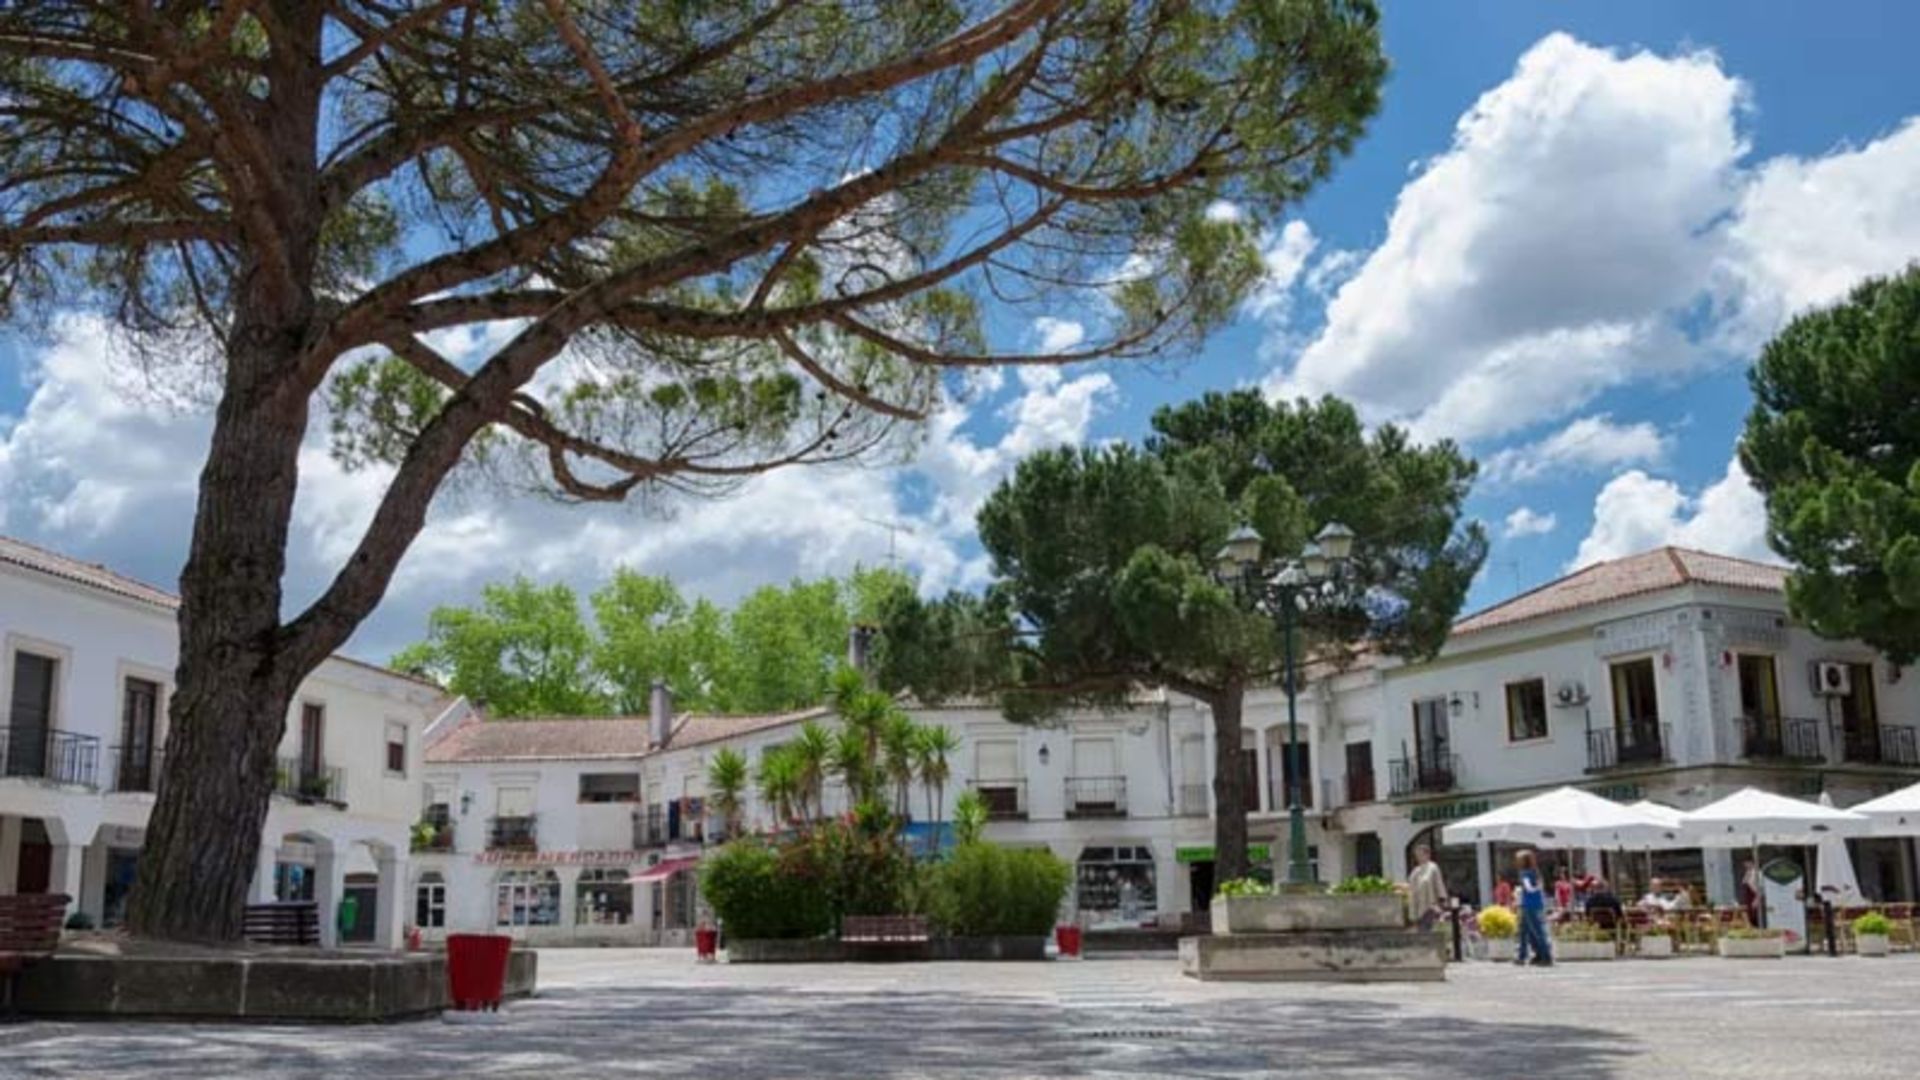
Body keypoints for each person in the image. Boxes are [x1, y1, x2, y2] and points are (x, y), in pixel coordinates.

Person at [1514, 850, 1553, 967]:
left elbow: (1529, 888)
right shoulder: (1536, 872)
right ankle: (1529, 955)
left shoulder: (1524, 873)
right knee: (1527, 931)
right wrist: (1538, 888)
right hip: (1537, 903)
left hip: (1528, 904)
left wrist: (1529, 889)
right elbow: (1540, 886)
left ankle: (1545, 956)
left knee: (1534, 931)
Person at [1407, 845, 1449, 931]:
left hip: (1430, 905)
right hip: (1418, 905)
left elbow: (1438, 883)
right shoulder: (1415, 871)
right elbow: (1410, 886)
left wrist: (1442, 900)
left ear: (1427, 855)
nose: (1418, 857)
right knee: (1420, 930)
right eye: (1417, 855)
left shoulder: (1433, 867)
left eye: (1421, 854)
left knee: (1427, 929)